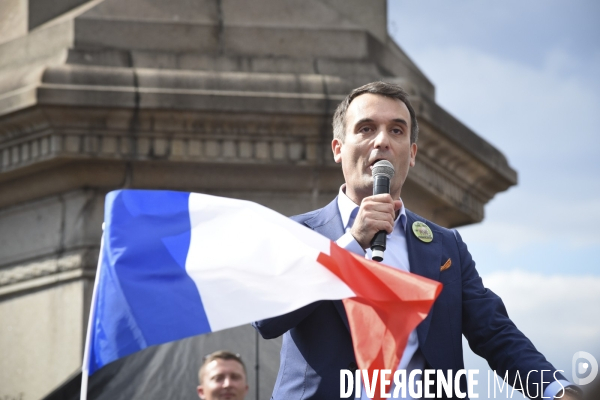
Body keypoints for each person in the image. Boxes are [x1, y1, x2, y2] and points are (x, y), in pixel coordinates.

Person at [253, 82, 582, 399]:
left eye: (396, 130)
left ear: (411, 154)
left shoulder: (445, 247)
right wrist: (352, 242)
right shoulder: (296, 234)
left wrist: (559, 391)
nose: (382, 141)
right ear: (338, 149)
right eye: (366, 128)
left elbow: (496, 333)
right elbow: (267, 318)